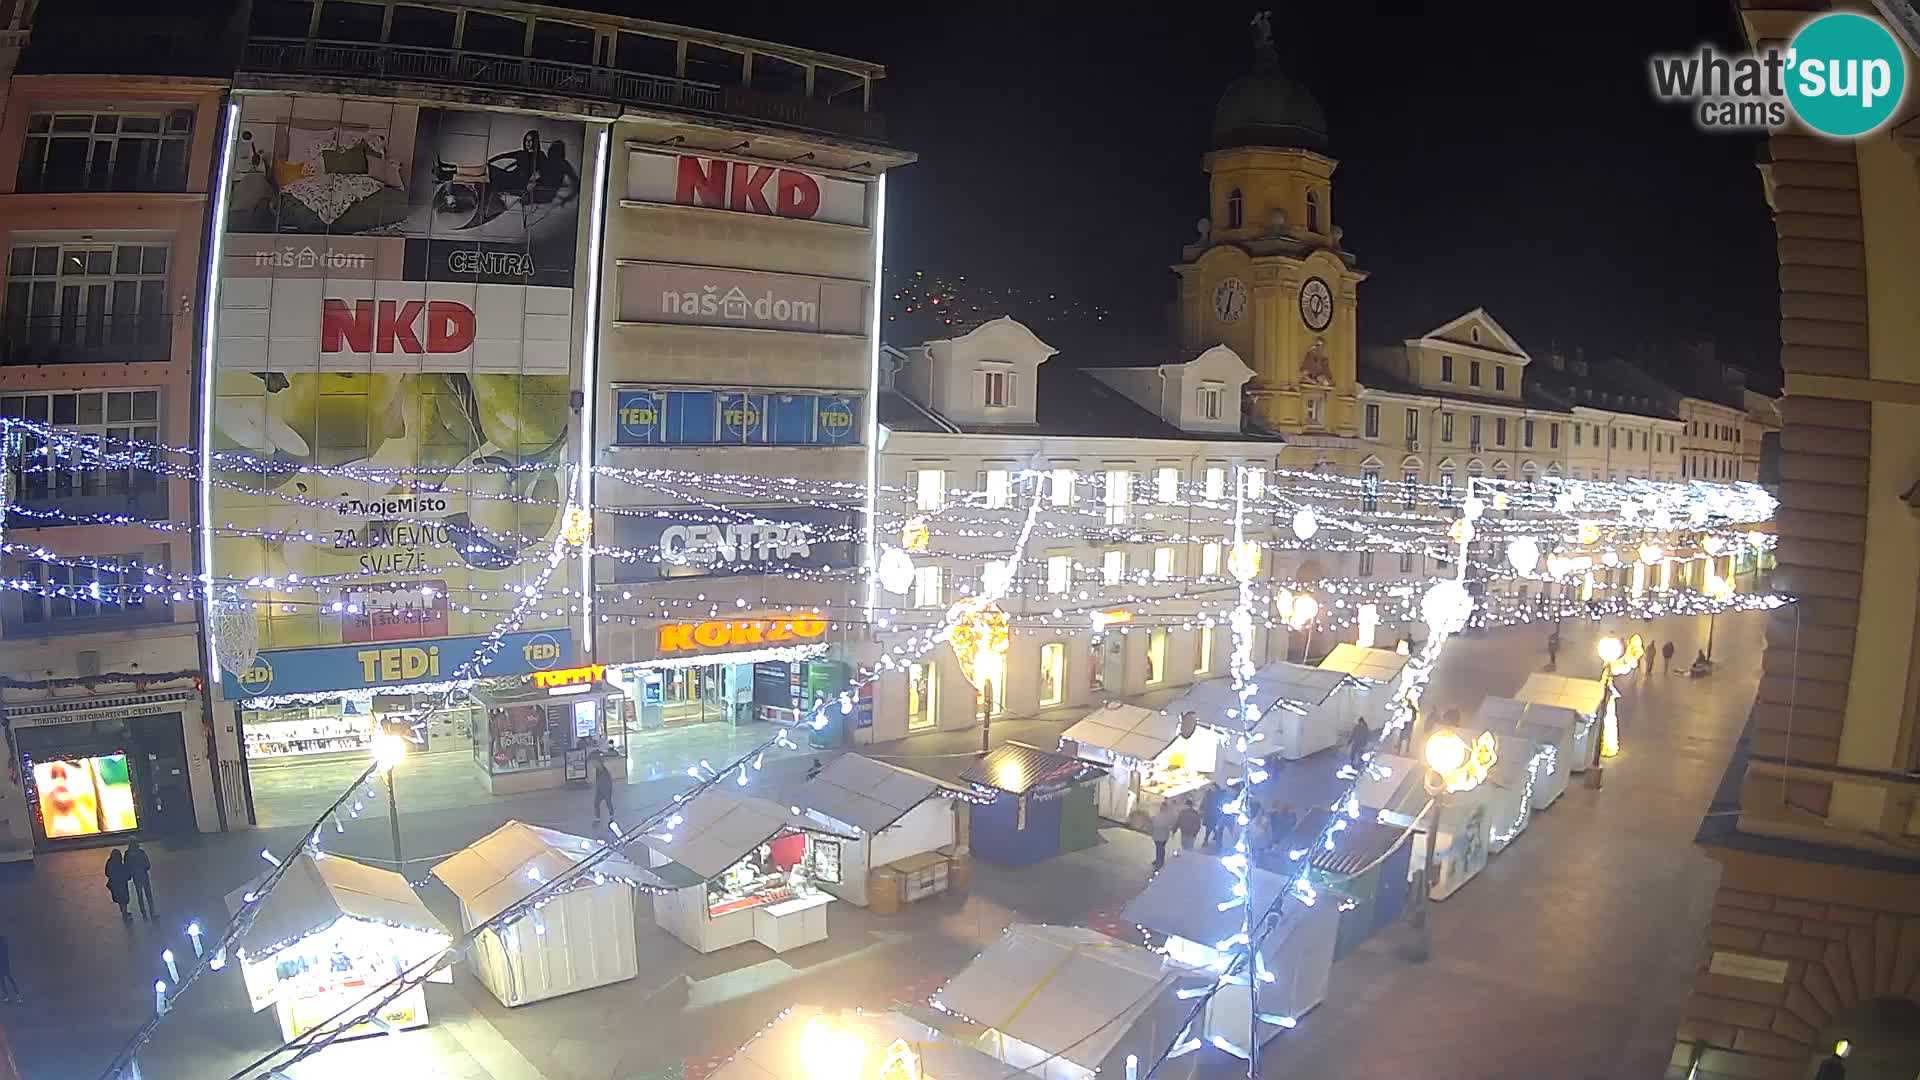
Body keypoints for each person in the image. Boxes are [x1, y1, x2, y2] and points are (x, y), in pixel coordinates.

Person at [124, 839, 154, 921]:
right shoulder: (141, 852)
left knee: (139, 895)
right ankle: (152, 912)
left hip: (136, 877)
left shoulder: (127, 854)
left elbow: (126, 866)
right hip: (144, 875)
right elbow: (148, 864)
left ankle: (144, 914)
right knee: (148, 895)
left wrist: (130, 874)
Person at [104, 849, 132, 922]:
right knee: (124, 900)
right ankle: (125, 914)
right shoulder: (121, 865)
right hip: (122, 885)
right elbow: (127, 875)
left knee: (120, 901)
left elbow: (107, 873)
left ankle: (124, 913)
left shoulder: (109, 863)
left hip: (115, 886)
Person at [1149, 799, 1178, 869]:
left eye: (1163, 806)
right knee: (1159, 847)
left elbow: (1172, 822)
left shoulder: (1169, 814)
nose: (1161, 807)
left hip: (1162, 834)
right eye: (1161, 806)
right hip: (1158, 833)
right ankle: (1159, 860)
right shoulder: (1161, 813)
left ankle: (1160, 862)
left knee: (1160, 847)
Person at [1200, 784, 1226, 849]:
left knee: (1212, 827)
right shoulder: (1208, 794)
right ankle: (1214, 840)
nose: (1212, 788)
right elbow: (1204, 802)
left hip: (1215, 814)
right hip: (1211, 814)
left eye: (1213, 787)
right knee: (1211, 827)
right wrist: (1202, 808)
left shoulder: (1217, 795)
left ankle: (1214, 841)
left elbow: (1220, 803)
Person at [592, 759, 614, 823]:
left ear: (600, 763)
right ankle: (597, 818)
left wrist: (608, 791)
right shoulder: (598, 770)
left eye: (595, 763)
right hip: (600, 790)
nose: (594, 764)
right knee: (596, 803)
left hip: (606, 790)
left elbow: (609, 782)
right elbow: (598, 780)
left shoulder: (605, 772)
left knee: (608, 803)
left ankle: (611, 816)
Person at [0, 934, 16, 1002]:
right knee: (10, 979)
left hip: (2, 966)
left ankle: (7, 997)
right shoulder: (5, 946)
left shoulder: (2, 948)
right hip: (6, 966)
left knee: (3, 981)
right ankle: (17, 996)